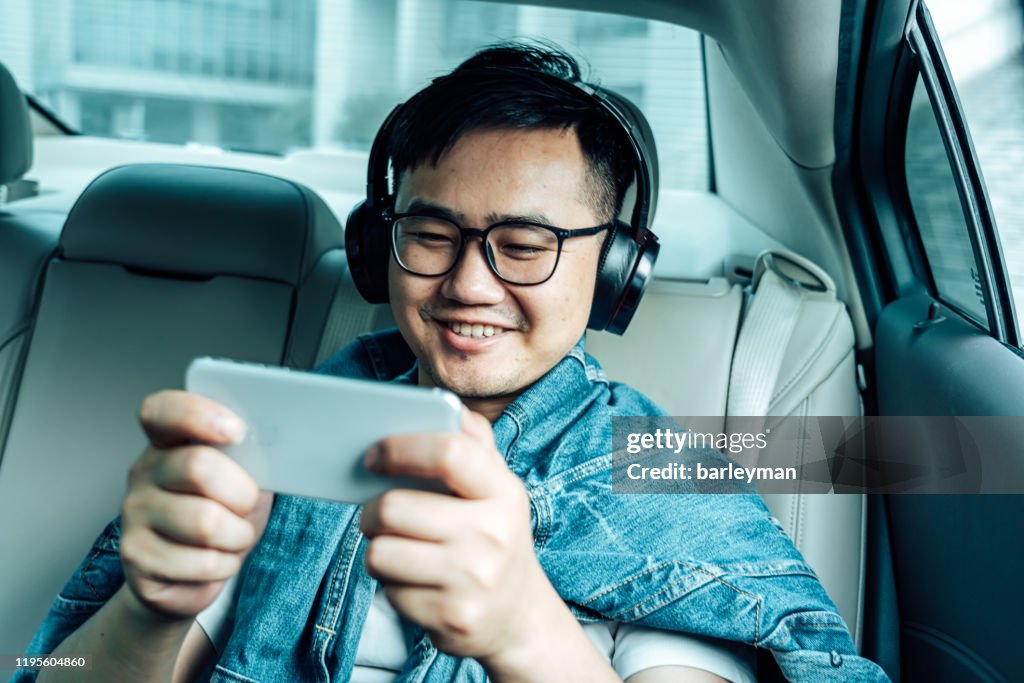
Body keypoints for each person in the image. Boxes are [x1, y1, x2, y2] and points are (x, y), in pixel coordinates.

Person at [18, 43, 889, 682]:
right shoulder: (287, 431)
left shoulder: (664, 486)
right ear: (379, 248)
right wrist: (150, 607)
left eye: (526, 245)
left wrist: (523, 627)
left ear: (615, 270)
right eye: (431, 234)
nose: (469, 285)